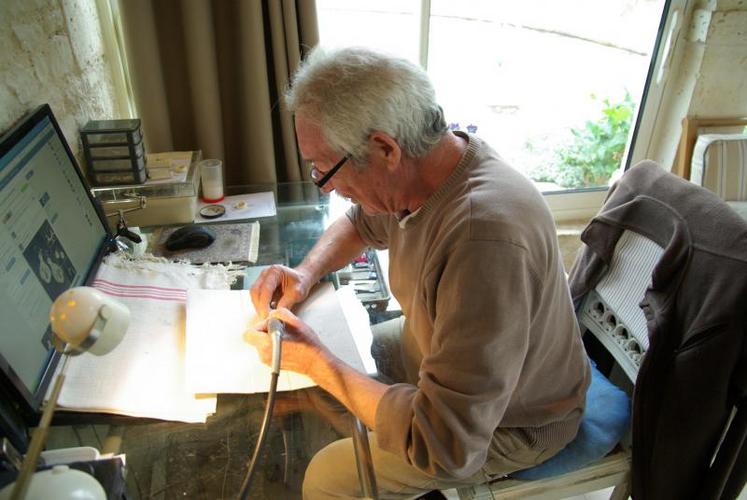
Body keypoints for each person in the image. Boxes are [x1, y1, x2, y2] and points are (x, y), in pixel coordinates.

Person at [245, 46, 590, 499]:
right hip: (445, 357)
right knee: (323, 360)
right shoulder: (426, 168)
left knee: (329, 476)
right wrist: (305, 274)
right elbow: (358, 224)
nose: (326, 185)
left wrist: (317, 361)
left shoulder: (481, 241)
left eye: (324, 169)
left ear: (385, 148)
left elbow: (444, 444)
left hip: (513, 422)